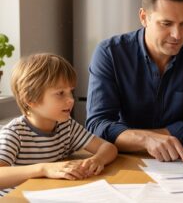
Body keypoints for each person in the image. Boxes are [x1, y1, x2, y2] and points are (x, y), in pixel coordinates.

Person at [86, 0, 183, 163]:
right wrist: (146, 140)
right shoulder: (110, 54)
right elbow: (97, 126)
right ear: (144, 17)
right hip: (124, 162)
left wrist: (136, 137)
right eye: (166, 24)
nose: (177, 34)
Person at [0, 53, 117, 196]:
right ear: (30, 99)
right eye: (60, 93)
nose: (71, 100)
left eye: (70, 92)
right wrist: (44, 169)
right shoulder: (14, 134)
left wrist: (97, 159)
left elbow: (108, 147)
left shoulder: (67, 126)